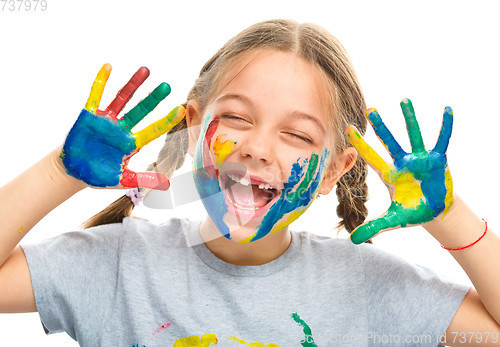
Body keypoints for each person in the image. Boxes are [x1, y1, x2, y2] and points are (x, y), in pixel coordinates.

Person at [0, 19, 499, 347]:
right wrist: (58, 173)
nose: (258, 147)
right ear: (195, 127)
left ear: (333, 170)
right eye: (237, 117)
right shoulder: (116, 266)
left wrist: (448, 215)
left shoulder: (369, 287)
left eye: (297, 134)